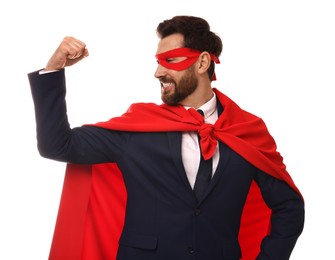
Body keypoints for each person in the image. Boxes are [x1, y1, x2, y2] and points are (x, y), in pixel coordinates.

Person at [28, 16, 304, 260]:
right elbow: (58, 144)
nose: (158, 72)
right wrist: (54, 68)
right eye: (158, 62)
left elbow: (289, 206)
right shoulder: (137, 128)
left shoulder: (247, 131)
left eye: (170, 61)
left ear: (203, 62)